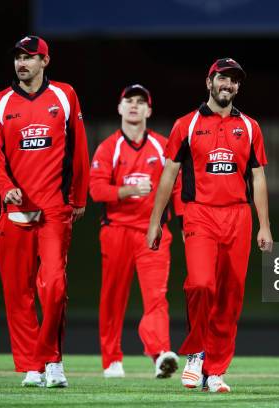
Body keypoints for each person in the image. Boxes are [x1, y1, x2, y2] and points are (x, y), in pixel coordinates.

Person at [146, 58, 273, 393]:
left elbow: (258, 178)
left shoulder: (250, 127)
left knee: (231, 297)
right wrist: (155, 221)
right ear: (209, 82)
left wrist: (265, 225)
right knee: (201, 284)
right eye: (222, 78)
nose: (227, 85)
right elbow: (168, 175)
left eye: (233, 80)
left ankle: (215, 371)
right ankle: (196, 353)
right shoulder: (185, 125)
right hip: (200, 214)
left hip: (239, 217)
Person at [0, 35, 89, 388]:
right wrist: (5, 189)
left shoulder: (64, 95)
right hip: (15, 212)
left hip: (54, 210)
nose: (22, 63)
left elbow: (79, 149)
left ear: (45, 61)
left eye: (29, 57)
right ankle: (32, 366)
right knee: (18, 293)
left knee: (54, 287)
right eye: (18, 57)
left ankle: (53, 360)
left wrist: (78, 197)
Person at [89, 84, 181, 379]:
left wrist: (184, 224)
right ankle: (111, 360)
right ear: (119, 108)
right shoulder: (108, 147)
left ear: (149, 111)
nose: (134, 106)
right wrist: (128, 190)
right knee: (113, 297)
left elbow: (177, 189)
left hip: (152, 233)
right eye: (128, 101)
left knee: (156, 297)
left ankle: (159, 354)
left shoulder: (162, 146)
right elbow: (96, 190)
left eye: (141, 102)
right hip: (116, 230)